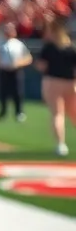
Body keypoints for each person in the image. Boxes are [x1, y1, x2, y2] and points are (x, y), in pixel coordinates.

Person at [35, 14, 73, 157]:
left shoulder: (49, 47)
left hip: (52, 81)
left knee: (57, 114)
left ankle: (61, 144)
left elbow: (41, 66)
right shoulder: (71, 47)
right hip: (70, 82)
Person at [0, 21, 31, 122]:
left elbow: (28, 58)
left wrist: (18, 63)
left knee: (17, 92)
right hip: (3, 69)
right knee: (3, 92)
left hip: (15, 70)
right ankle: (3, 112)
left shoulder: (18, 44)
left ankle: (19, 112)